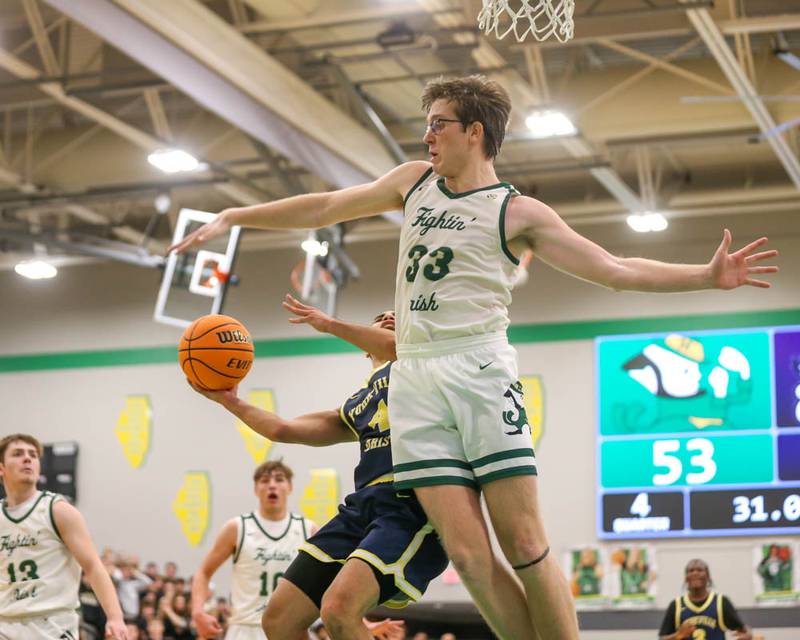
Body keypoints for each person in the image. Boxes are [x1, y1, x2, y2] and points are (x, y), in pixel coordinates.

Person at [170, 75, 778, 640]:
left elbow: (616, 270)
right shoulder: (413, 182)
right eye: (427, 124)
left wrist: (703, 274)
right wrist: (234, 216)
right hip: (414, 378)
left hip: (480, 371)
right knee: (466, 554)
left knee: (523, 541)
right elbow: (327, 205)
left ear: (474, 133)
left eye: (438, 123)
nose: (427, 135)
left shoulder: (517, 211)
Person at [191, 310, 444, 640]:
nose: (389, 316)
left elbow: (397, 346)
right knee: (279, 620)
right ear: (364, 348)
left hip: (409, 504)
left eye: (396, 314)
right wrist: (230, 402)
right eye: (380, 316)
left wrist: (328, 324)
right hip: (362, 508)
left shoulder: (420, 363)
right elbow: (283, 428)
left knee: (338, 610)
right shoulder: (358, 404)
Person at [0, 433, 127, 639]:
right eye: (18, 454)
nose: (28, 458)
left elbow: (93, 566)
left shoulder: (58, 510)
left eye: (33, 455)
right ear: (1, 468)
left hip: (52, 625)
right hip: (5, 625)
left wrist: (115, 617)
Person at [191, 460, 316, 639]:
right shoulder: (237, 528)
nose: (272, 485)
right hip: (245, 629)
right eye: (265, 481)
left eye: (279, 479)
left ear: (290, 487)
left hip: (290, 629)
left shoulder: (308, 530)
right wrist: (197, 612)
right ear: (256, 489)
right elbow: (203, 573)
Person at [659, 559, 752, 640]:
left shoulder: (721, 602)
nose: (695, 573)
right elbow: (662, 638)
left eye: (700, 570)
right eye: (691, 571)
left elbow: (743, 630)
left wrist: (749, 635)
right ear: (686, 578)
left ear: (708, 577)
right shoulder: (676, 605)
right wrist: (677, 635)